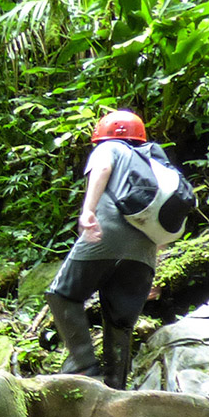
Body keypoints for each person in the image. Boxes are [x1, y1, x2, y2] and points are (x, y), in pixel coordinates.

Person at [46, 110, 168, 388]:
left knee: (61, 293)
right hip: (145, 250)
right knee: (120, 323)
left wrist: (88, 212)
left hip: (103, 236)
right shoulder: (154, 158)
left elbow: (101, 169)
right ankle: (115, 388)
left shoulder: (109, 147)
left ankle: (84, 366)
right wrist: (153, 258)